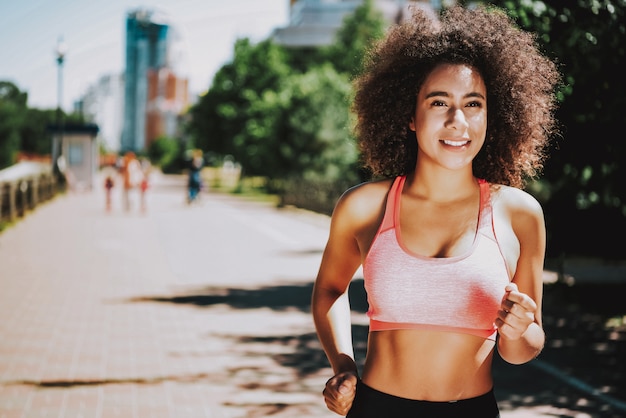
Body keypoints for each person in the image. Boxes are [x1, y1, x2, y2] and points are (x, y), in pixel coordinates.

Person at [311, 5, 561, 417]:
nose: (457, 120)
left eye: (474, 104)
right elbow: (329, 290)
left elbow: (523, 350)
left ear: (492, 115)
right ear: (410, 115)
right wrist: (342, 366)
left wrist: (519, 329)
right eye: (439, 102)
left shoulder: (519, 213)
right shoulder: (364, 206)